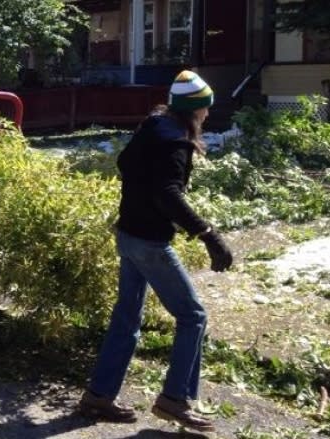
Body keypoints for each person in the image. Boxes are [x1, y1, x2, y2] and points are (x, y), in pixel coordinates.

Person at [78, 70, 233, 432]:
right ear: (193, 110)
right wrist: (207, 234)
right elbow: (168, 193)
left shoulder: (152, 126)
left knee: (127, 318)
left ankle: (99, 396)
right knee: (193, 316)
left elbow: (126, 166)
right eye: (205, 110)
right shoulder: (174, 142)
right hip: (149, 243)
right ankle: (175, 400)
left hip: (128, 236)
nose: (207, 116)